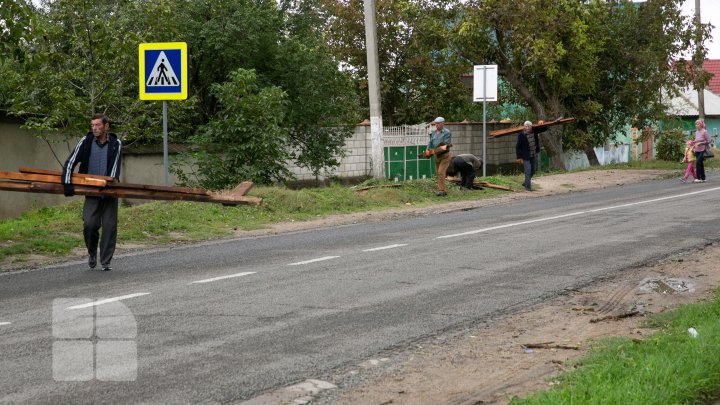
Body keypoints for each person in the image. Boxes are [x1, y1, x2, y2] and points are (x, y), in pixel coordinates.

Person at [61, 114, 122, 271]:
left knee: (109, 227)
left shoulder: (116, 143)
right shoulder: (86, 141)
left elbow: (114, 171)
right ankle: (92, 251)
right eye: (92, 125)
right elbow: (70, 162)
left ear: (106, 126)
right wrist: (67, 184)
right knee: (89, 224)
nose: (94, 128)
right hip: (90, 191)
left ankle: (106, 261)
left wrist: (108, 186)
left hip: (109, 191)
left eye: (97, 125)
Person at [515, 120, 547, 191]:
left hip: (533, 154)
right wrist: (519, 157)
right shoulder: (521, 135)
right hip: (525, 156)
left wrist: (542, 123)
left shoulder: (534, 131)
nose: (527, 127)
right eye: (526, 126)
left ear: (531, 127)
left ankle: (525, 183)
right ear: (524, 127)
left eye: (529, 126)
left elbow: (544, 129)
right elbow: (518, 147)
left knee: (532, 171)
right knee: (528, 171)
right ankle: (528, 187)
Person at [427, 117, 452, 196]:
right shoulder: (434, 133)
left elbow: (445, 145)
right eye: (435, 124)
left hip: (445, 155)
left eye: (438, 124)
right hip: (437, 156)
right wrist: (427, 151)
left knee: (441, 172)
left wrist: (433, 151)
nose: (436, 125)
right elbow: (430, 143)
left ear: (442, 123)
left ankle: (442, 190)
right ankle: (440, 189)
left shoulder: (447, 132)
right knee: (438, 173)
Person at [693, 119, 711, 183]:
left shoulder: (704, 132)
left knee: (698, 162)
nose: (696, 125)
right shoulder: (696, 132)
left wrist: (701, 143)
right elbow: (696, 140)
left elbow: (709, 141)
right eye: (695, 124)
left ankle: (698, 178)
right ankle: (703, 178)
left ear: (701, 125)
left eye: (697, 124)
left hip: (703, 149)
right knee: (700, 163)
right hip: (697, 150)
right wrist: (693, 143)